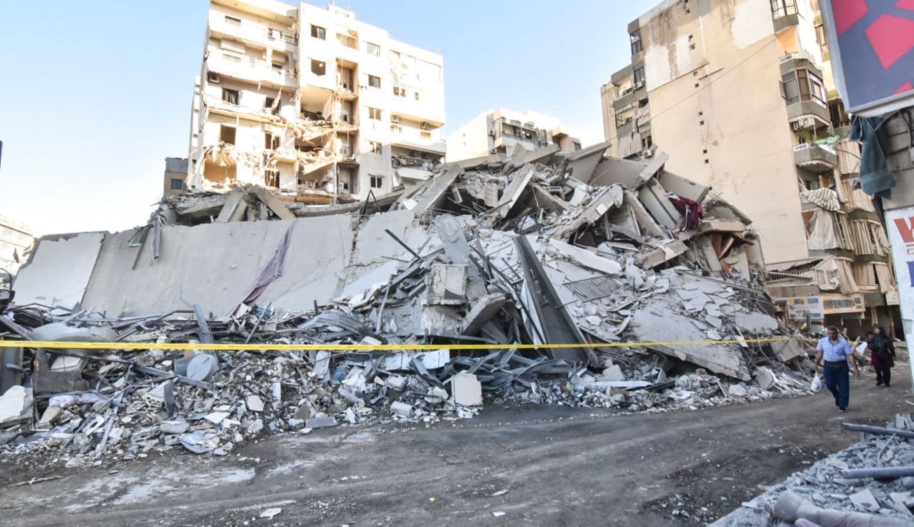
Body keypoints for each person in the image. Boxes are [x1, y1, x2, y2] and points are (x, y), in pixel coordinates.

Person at [814, 326, 860, 411]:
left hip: (841, 366)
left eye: (833, 333)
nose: (831, 335)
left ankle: (842, 405)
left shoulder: (843, 342)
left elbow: (849, 355)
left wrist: (855, 368)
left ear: (837, 333)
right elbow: (820, 353)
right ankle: (837, 396)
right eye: (829, 333)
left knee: (843, 386)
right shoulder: (823, 341)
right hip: (828, 366)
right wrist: (816, 363)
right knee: (830, 384)